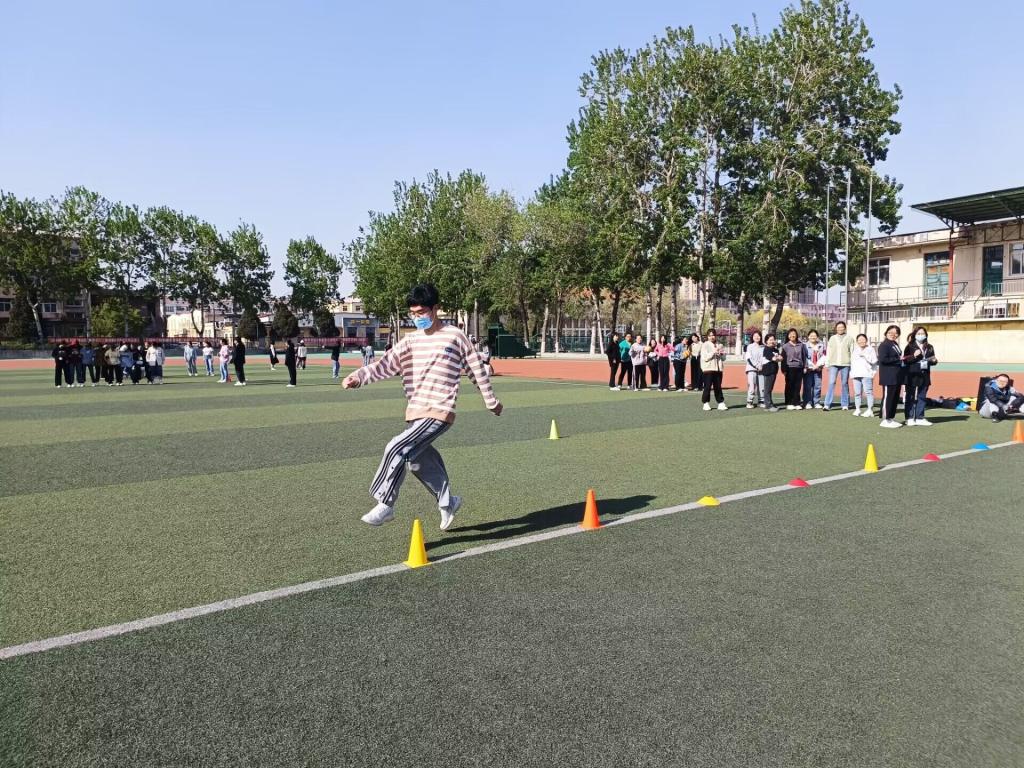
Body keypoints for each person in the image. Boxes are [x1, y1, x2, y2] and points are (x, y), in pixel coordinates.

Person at [343, 283, 501, 530]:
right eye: (413, 314)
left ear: (435, 309)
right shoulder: (411, 340)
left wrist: (490, 400)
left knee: (396, 446)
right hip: (416, 411)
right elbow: (385, 364)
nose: (417, 318)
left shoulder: (454, 336)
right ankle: (448, 502)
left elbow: (475, 368)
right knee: (416, 460)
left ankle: (385, 503)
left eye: (421, 312)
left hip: (440, 409)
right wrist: (359, 377)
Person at [902, 325, 937, 426]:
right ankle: (909, 418)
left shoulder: (929, 347)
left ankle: (919, 417)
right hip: (912, 374)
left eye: (923, 333)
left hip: (924, 374)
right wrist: (914, 356)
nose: (921, 335)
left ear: (926, 335)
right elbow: (905, 360)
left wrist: (934, 361)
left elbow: (932, 359)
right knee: (910, 397)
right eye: (918, 333)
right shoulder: (910, 346)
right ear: (915, 335)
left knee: (922, 397)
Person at [877, 324, 905, 428]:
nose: (893, 334)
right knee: (888, 397)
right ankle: (885, 419)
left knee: (894, 397)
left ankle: (890, 418)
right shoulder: (884, 345)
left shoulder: (894, 344)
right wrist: (898, 359)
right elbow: (883, 359)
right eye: (891, 332)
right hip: (888, 376)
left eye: (896, 333)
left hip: (896, 375)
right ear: (886, 333)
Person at [823, 321, 854, 411]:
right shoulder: (832, 338)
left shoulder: (850, 338)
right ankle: (827, 404)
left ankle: (845, 404)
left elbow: (852, 351)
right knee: (831, 382)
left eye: (842, 327)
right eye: (838, 327)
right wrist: (827, 363)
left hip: (845, 364)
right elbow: (829, 351)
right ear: (836, 328)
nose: (840, 329)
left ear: (845, 328)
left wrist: (852, 364)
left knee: (844, 383)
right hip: (833, 363)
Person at [850, 333, 878, 418]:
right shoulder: (855, 350)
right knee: (857, 393)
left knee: (868, 392)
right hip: (856, 374)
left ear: (866, 340)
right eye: (859, 340)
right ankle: (857, 409)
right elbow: (853, 362)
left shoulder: (870, 349)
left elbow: (874, 361)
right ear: (857, 341)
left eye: (863, 339)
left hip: (866, 374)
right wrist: (852, 373)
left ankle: (870, 410)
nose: (861, 341)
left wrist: (865, 355)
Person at [700, 330, 727, 411]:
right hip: (708, 369)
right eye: (710, 335)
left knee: (718, 387)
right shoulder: (705, 345)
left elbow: (724, 358)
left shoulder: (720, 345)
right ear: (707, 336)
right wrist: (713, 352)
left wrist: (721, 354)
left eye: (713, 335)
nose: (712, 337)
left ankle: (720, 402)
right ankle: (705, 403)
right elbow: (705, 357)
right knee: (707, 387)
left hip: (718, 369)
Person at [781, 328, 806, 410]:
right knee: (789, 385)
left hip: (799, 368)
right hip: (789, 368)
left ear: (796, 335)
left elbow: (804, 356)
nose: (792, 335)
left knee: (797, 386)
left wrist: (804, 366)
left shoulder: (801, 345)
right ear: (788, 336)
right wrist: (783, 370)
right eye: (790, 334)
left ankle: (797, 402)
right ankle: (789, 402)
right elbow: (783, 359)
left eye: (794, 334)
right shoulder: (785, 346)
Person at [802, 329, 826, 410]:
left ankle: (816, 402)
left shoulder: (821, 346)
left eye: (815, 336)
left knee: (817, 386)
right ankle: (807, 402)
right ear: (808, 337)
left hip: (818, 369)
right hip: (808, 370)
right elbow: (804, 357)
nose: (813, 337)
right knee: (807, 386)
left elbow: (824, 356)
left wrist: (820, 366)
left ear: (817, 337)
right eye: (811, 336)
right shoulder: (804, 346)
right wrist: (808, 366)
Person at [760, 333, 782, 411]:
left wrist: (778, 358)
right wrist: (777, 358)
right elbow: (774, 358)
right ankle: (768, 406)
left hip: (774, 371)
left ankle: (770, 404)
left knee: (770, 388)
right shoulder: (766, 349)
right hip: (768, 371)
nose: (772, 341)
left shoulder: (775, 350)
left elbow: (781, 358)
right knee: (767, 389)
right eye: (770, 340)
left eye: (773, 339)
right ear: (766, 341)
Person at [744, 331, 765, 408]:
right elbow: (749, 358)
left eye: (758, 335)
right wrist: (756, 365)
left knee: (761, 387)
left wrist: (762, 366)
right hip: (751, 369)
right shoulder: (750, 346)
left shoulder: (763, 347)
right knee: (752, 386)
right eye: (755, 336)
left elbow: (764, 358)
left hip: (761, 369)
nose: (757, 337)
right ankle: (749, 402)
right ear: (752, 337)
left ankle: (761, 401)